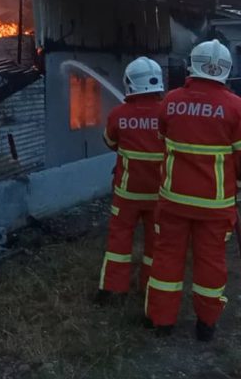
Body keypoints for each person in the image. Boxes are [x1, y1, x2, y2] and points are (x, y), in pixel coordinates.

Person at [145, 39, 241, 341]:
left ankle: (162, 321)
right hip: (215, 204)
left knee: (167, 258)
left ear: (191, 65)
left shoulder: (170, 100)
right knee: (211, 261)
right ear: (225, 69)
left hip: (173, 201)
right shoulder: (235, 105)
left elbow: (162, 136)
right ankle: (206, 324)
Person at [97, 57, 165, 305]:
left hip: (127, 193)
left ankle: (113, 290)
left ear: (130, 83)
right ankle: (149, 286)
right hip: (160, 193)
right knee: (155, 243)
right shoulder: (167, 112)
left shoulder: (118, 114)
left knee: (119, 240)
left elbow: (110, 142)